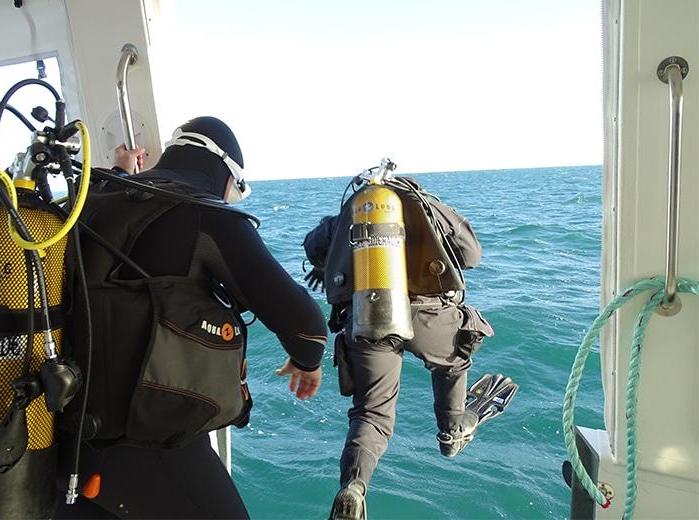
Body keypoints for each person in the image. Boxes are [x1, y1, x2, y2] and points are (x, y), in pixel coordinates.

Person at [55, 116, 327, 519]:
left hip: (60, 434)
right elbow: (304, 324)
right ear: (226, 173)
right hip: (143, 440)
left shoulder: (93, 196)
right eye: (236, 190)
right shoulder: (205, 213)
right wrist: (308, 361)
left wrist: (122, 167)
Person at [301, 162, 518, 520]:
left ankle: (353, 487)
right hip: (428, 316)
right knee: (452, 362)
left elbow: (312, 246)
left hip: (368, 314)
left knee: (371, 413)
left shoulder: (354, 211)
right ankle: (452, 432)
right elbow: (471, 255)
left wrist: (331, 250)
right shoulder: (427, 205)